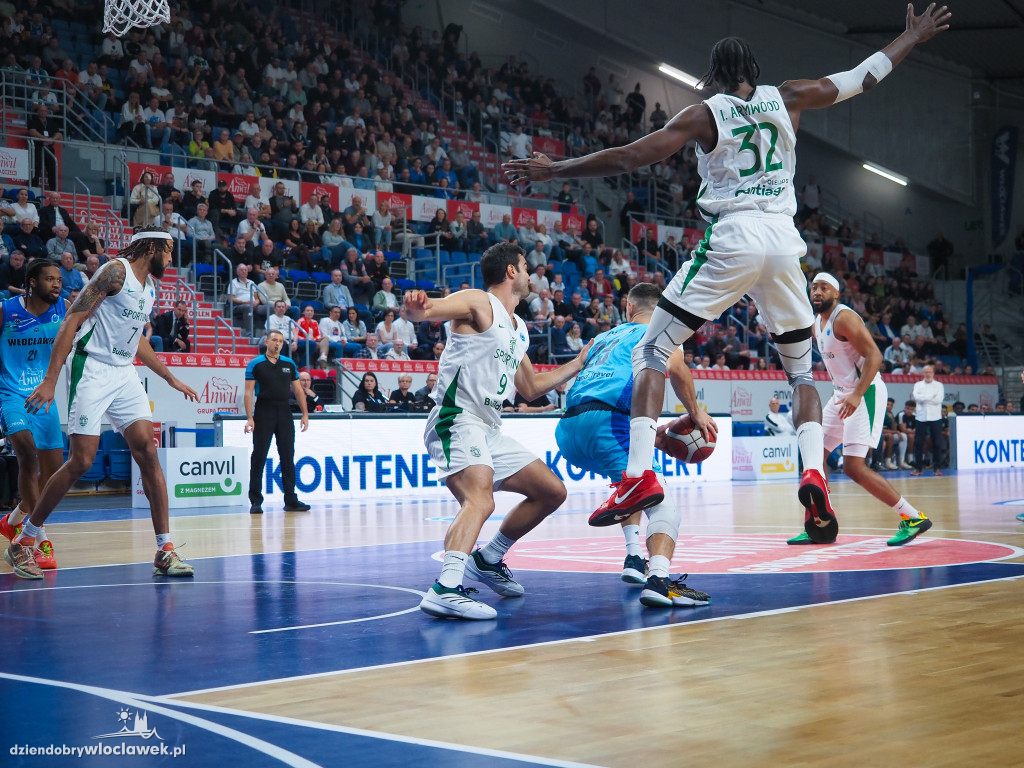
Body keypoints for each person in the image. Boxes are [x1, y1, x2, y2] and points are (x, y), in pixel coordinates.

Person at [502, 6, 950, 540]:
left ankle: (638, 476)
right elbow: (863, 77)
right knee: (802, 376)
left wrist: (557, 169)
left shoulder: (704, 113)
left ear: (713, 73)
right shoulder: (789, 96)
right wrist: (912, 36)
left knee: (651, 351)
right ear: (754, 70)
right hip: (785, 244)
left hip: (734, 235)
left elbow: (629, 158)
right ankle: (812, 473)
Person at [405, 242, 592, 620]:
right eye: (525, 267)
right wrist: (416, 306)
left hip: (489, 427)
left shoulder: (517, 328)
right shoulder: (478, 301)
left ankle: (488, 559)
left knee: (551, 491)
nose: (529, 273)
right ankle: (446, 587)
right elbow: (428, 310)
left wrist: (579, 362)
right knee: (480, 500)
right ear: (511, 272)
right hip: (456, 418)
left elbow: (532, 387)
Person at [16, 229, 198, 579]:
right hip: (92, 367)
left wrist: (169, 378)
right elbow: (72, 320)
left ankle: (165, 548)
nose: (172, 259)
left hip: (124, 372)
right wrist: (51, 380)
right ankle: (25, 539)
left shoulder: (150, 288)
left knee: (147, 450)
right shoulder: (115, 271)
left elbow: (134, 342)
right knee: (81, 460)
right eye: (170, 251)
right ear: (153, 247)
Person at [555, 283, 713, 606]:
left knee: (633, 481)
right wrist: (695, 413)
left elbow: (605, 382)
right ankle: (658, 579)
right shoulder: (664, 331)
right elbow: (678, 371)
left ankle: (633, 557)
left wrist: (654, 436)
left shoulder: (602, 337)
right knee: (664, 504)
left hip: (568, 429)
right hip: (608, 422)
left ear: (628, 309)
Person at [787, 273, 931, 547]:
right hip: (842, 394)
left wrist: (857, 394)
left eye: (824, 287)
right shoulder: (817, 322)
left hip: (864, 393)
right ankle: (818, 523)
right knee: (814, 458)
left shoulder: (845, 317)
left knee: (853, 467)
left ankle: (913, 517)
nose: (817, 291)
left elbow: (875, 356)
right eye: (814, 287)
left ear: (836, 293)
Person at [0, 260, 68, 574]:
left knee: (54, 476)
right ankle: (37, 538)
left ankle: (12, 521)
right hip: (11, 394)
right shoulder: (5, 310)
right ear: (31, 282)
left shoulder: (64, 309)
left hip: (45, 397)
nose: (56, 284)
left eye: (58, 279)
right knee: (27, 454)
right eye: (49, 279)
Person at [244, 329, 311, 515]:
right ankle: (255, 500)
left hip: (284, 412)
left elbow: (298, 391)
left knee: (288, 456)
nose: (277, 343)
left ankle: (290, 499)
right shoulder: (255, 364)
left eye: (281, 341)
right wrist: (250, 417)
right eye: (274, 340)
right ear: (267, 342)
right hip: (264, 412)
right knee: (259, 456)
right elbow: (248, 392)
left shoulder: (289, 364)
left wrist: (305, 414)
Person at [911, 364, 945, 476]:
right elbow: (916, 398)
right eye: (926, 372)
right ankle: (918, 468)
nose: (928, 374)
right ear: (923, 373)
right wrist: (931, 397)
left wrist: (924, 398)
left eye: (930, 372)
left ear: (933, 373)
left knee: (937, 442)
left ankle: (937, 468)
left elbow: (939, 400)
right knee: (918, 443)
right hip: (921, 417)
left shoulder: (939, 385)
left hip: (935, 417)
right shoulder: (918, 385)